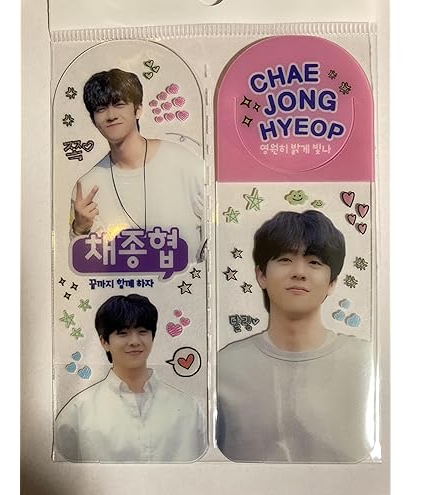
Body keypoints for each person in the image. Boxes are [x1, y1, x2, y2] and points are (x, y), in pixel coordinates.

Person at [217, 210, 374, 462]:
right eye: (285, 259)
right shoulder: (224, 366)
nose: (299, 272)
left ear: (333, 282)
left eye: (314, 262)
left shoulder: (367, 362)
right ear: (260, 275)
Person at [70, 68, 205, 262]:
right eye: (100, 109)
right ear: (93, 120)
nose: (111, 115)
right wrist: (79, 230)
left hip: (183, 281)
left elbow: (218, 235)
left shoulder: (184, 163)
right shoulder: (87, 188)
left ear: (138, 109)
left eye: (119, 104)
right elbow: (84, 267)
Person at [55, 294, 206, 462]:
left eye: (143, 331)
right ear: (104, 342)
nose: (135, 341)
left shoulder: (189, 408)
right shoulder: (78, 412)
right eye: (123, 333)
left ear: (152, 337)